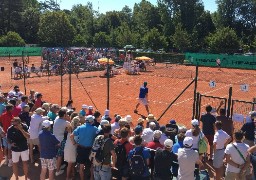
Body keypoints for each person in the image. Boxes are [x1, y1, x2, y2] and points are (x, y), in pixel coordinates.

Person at [70, 115, 98, 180]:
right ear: (91, 121)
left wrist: (74, 143)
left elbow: (71, 136)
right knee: (91, 165)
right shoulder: (95, 128)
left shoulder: (80, 127)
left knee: (81, 166)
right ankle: (91, 178)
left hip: (81, 149)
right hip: (90, 150)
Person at [53, 109, 70, 176]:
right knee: (59, 156)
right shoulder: (65, 122)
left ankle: (57, 166)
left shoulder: (56, 119)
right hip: (60, 141)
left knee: (57, 155)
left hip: (54, 140)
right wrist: (68, 118)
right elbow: (70, 126)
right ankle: (57, 171)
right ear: (64, 115)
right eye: (66, 114)